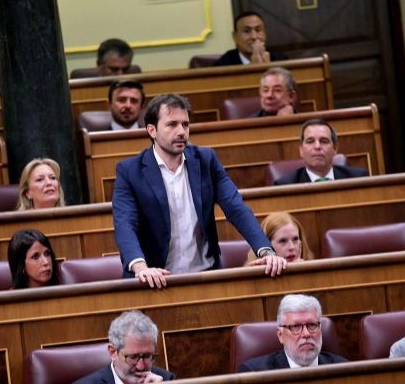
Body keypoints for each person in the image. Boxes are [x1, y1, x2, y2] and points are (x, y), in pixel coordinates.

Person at [112, 93, 287, 289]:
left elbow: (236, 207)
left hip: (206, 276)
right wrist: (141, 267)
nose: (181, 132)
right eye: (172, 125)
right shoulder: (130, 171)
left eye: (185, 124)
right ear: (152, 130)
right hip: (155, 280)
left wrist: (266, 251)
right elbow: (125, 224)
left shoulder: (206, 160)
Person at [238, 294, 347, 371]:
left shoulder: (343, 369)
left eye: (312, 325)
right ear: (280, 335)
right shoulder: (254, 373)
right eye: (295, 326)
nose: (306, 334)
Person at [70, 310, 175, 384]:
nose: (141, 366)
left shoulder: (166, 381)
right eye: (133, 357)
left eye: (147, 356)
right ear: (113, 352)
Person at [274, 118, 368, 185]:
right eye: (310, 141)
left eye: (324, 141)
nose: (317, 146)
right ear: (301, 150)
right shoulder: (285, 186)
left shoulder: (358, 179)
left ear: (335, 148)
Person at [214, 11, 287, 67]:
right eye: (246, 31)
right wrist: (252, 68)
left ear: (265, 34)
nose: (254, 37)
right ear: (235, 37)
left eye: (258, 30)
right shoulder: (223, 64)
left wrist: (268, 69)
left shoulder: (280, 59)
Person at [245, 212, 313, 266]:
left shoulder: (313, 272)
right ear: (266, 245)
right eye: (283, 241)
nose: (291, 247)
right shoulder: (252, 279)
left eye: (295, 239)